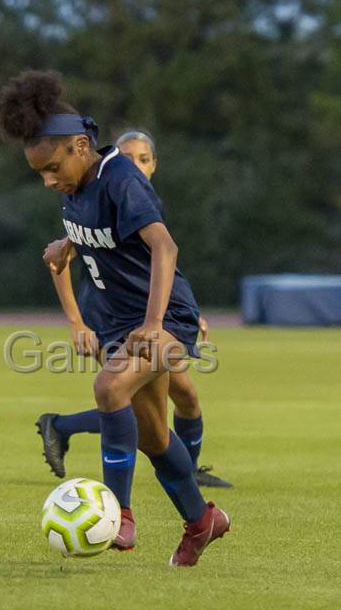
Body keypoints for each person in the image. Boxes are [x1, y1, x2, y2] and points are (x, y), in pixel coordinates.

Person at [0, 71, 229, 566]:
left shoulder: (123, 178)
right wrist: (68, 244)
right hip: (118, 323)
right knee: (154, 437)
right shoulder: (73, 186)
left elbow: (164, 246)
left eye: (53, 167)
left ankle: (118, 512)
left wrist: (152, 322)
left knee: (108, 388)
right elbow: (106, 235)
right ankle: (201, 521)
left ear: (81, 146)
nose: (48, 180)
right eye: (40, 173)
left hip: (166, 318)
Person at [35, 130, 232, 489]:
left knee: (180, 397)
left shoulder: (143, 200)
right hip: (110, 321)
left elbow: (158, 264)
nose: (135, 165)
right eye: (127, 158)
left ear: (155, 164)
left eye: (143, 159)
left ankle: (186, 474)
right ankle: (159, 491)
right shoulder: (100, 195)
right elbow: (58, 260)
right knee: (133, 405)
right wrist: (77, 323)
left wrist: (184, 311)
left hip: (147, 319)